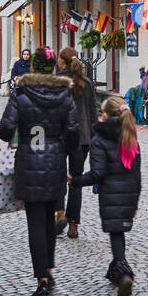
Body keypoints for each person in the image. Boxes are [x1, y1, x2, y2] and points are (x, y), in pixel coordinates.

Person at [0, 48, 78, 296]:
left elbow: (4, 129)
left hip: (30, 160)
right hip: (54, 162)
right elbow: (74, 133)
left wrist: (23, 131)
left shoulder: (22, 93)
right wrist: (61, 142)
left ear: (33, 66)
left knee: (35, 223)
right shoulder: (65, 94)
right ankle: (49, 271)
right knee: (49, 221)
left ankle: (41, 279)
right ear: (54, 66)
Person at [72, 96, 141, 296]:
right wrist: (135, 202)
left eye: (102, 113)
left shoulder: (99, 139)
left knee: (116, 234)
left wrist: (75, 180)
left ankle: (123, 272)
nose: (100, 117)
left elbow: (97, 173)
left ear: (107, 115)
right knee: (118, 232)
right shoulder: (130, 136)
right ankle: (116, 270)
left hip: (110, 194)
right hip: (129, 195)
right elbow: (137, 173)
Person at [56, 46, 98, 239]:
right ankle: (74, 225)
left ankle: (60, 214)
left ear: (62, 61)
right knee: (76, 180)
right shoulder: (86, 82)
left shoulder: (58, 83)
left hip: (61, 137)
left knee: (57, 178)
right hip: (82, 139)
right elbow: (93, 112)